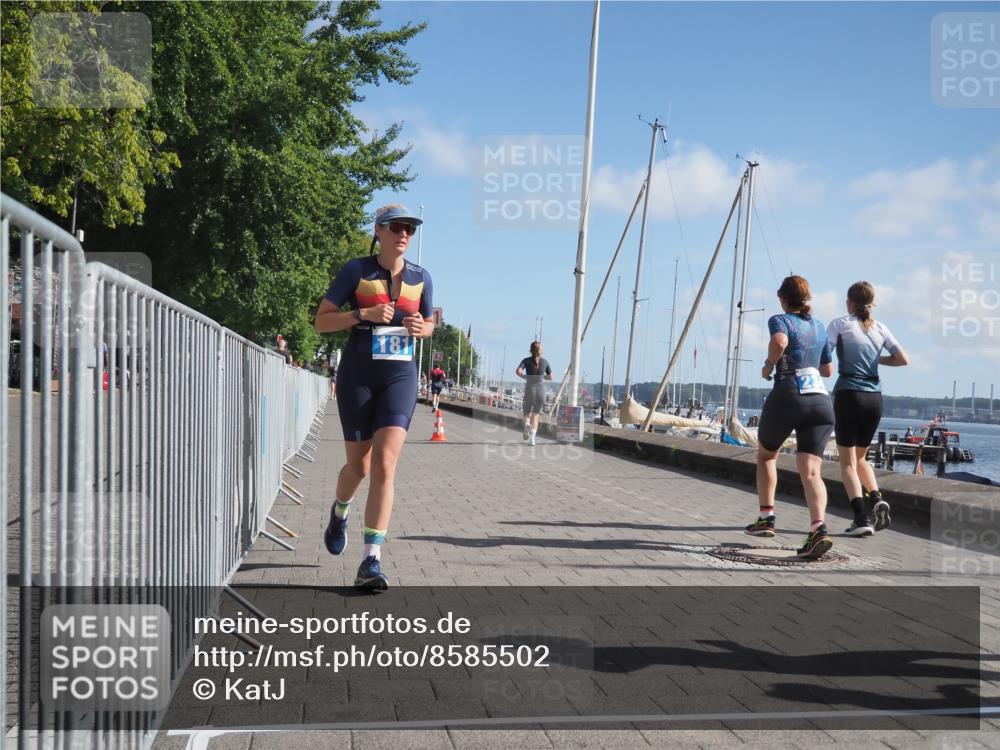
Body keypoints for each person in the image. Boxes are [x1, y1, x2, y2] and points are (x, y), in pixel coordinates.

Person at [313, 204, 433, 591]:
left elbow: (430, 323)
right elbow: (322, 320)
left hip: (399, 375)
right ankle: (339, 511)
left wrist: (421, 326)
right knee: (358, 468)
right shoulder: (356, 270)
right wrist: (361, 316)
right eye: (397, 227)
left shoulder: (421, 277)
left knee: (384, 463)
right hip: (358, 376)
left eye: (410, 230)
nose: (404, 234)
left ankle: (371, 561)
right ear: (378, 231)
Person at [746, 275, 836, 560]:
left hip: (788, 395)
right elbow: (827, 370)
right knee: (811, 471)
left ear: (783, 298)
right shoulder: (820, 327)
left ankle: (766, 518)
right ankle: (818, 529)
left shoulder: (780, 320)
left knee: (767, 456)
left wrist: (768, 364)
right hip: (821, 403)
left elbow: (780, 341)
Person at [827, 282, 909, 536]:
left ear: (849, 302)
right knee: (861, 458)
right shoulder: (881, 328)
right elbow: (902, 359)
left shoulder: (839, 324)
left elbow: (824, 356)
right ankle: (876, 498)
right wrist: (876, 359)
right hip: (874, 398)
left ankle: (861, 519)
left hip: (849, 395)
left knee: (847, 463)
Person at [515, 341, 552, 446]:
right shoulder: (545, 362)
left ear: (530, 350)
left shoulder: (526, 360)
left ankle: (527, 424)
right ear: (541, 351)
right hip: (541, 391)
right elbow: (550, 377)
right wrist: (542, 377)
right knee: (535, 416)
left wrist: (524, 376)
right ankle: (532, 440)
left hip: (529, 389)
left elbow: (518, 371)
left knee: (526, 413)